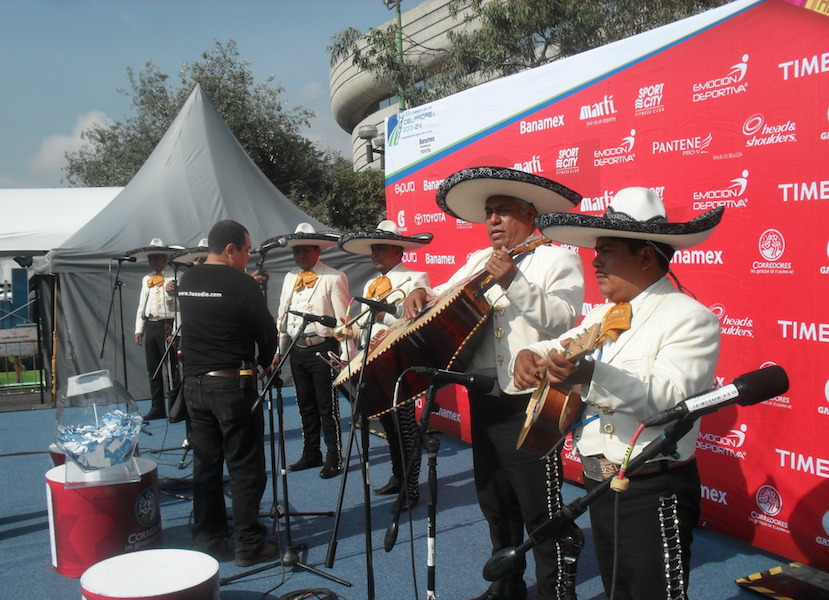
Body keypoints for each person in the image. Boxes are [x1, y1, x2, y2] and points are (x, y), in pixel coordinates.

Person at [512, 188, 724, 600]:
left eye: (606, 250)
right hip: (600, 487)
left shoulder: (691, 318)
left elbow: (670, 398)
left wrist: (590, 374)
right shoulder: (603, 315)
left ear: (645, 257)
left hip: (653, 491)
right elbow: (560, 344)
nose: (595, 260)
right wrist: (528, 354)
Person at [403, 167, 585, 600]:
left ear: (529, 213)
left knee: (540, 507)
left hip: (533, 404)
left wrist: (514, 282)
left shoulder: (558, 258)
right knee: (494, 501)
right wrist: (418, 291)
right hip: (483, 399)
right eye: (488, 213)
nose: (493, 220)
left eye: (503, 211)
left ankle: (556, 592)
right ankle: (507, 586)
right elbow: (442, 294)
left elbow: (565, 320)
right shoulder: (476, 261)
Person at [177, 220, 278, 566]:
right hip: (232, 386)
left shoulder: (187, 279)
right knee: (245, 466)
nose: (249, 257)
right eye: (247, 250)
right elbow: (267, 332)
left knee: (206, 465)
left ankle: (208, 539)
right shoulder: (241, 283)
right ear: (231, 249)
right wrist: (267, 362)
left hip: (195, 386)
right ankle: (249, 543)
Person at [338, 220, 433, 510]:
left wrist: (383, 318)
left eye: (380, 249)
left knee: (405, 427)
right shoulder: (370, 283)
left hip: (400, 363)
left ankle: (411, 487)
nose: (374, 255)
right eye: (373, 250)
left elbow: (415, 321)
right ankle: (397, 475)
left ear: (398, 250)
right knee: (389, 426)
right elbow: (368, 323)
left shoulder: (417, 277)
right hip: (374, 361)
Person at [274, 223, 350, 479]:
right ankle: (311, 451)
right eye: (297, 252)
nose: (301, 256)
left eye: (306, 251)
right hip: (297, 350)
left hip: (323, 349)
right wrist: (278, 351)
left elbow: (343, 323)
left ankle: (334, 455)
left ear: (318, 250)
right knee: (305, 404)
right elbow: (282, 318)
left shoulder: (333, 277)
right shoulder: (289, 278)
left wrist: (346, 357)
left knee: (327, 407)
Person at [134, 238, 178, 421]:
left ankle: (176, 407)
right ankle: (157, 407)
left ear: (165, 258)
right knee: (153, 369)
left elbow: (179, 305)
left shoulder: (175, 275)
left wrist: (171, 293)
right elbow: (141, 305)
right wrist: (139, 329)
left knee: (172, 369)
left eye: (157, 258)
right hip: (151, 324)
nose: (154, 262)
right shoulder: (147, 279)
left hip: (167, 324)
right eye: (151, 259)